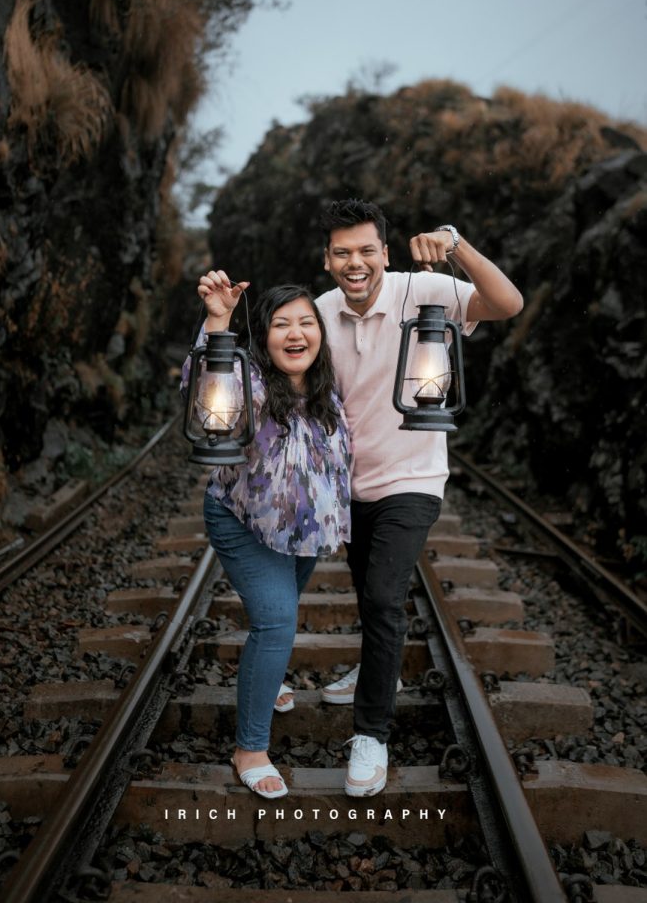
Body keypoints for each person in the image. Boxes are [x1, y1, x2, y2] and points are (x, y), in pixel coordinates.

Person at [315, 199, 523, 796]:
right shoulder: (322, 312)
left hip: (412, 479)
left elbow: (509, 303)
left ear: (384, 250)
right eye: (342, 252)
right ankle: (378, 668)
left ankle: (371, 734)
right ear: (327, 260)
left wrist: (455, 244)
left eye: (366, 250)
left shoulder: (425, 291)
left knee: (383, 594)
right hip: (349, 484)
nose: (356, 263)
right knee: (367, 589)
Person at [181, 274, 351, 799]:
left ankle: (268, 676)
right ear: (264, 335)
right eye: (282, 324)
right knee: (277, 622)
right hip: (241, 520)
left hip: (302, 533)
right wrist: (217, 319)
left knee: (279, 613)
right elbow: (202, 378)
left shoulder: (329, 389)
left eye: (306, 323)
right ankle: (250, 749)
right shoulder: (249, 382)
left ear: (320, 334)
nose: (295, 333)